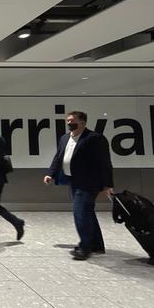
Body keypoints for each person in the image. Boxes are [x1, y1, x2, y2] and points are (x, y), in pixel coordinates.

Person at [44, 111, 114, 260]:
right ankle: (97, 245)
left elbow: (105, 162)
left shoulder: (94, 138)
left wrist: (108, 184)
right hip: (73, 181)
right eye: (68, 120)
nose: (69, 123)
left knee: (80, 212)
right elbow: (58, 156)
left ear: (83, 122)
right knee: (87, 212)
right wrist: (50, 173)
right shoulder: (64, 138)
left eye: (73, 120)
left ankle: (85, 247)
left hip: (89, 182)